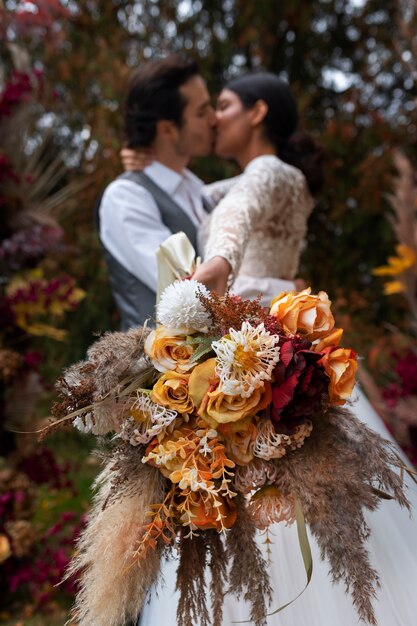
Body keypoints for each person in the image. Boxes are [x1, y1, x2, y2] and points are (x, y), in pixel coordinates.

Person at [134, 72, 417, 626]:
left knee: (276, 504)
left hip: (264, 353)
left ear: (259, 112)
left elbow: (236, 216)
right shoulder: (251, 178)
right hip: (253, 347)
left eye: (225, 105)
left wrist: (217, 264)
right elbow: (197, 194)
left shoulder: (269, 173)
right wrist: (146, 167)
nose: (215, 117)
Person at [98, 54, 216, 330]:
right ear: (167, 129)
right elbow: (192, 293)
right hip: (159, 370)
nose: (215, 119)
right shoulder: (125, 197)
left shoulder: (198, 188)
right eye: (202, 112)